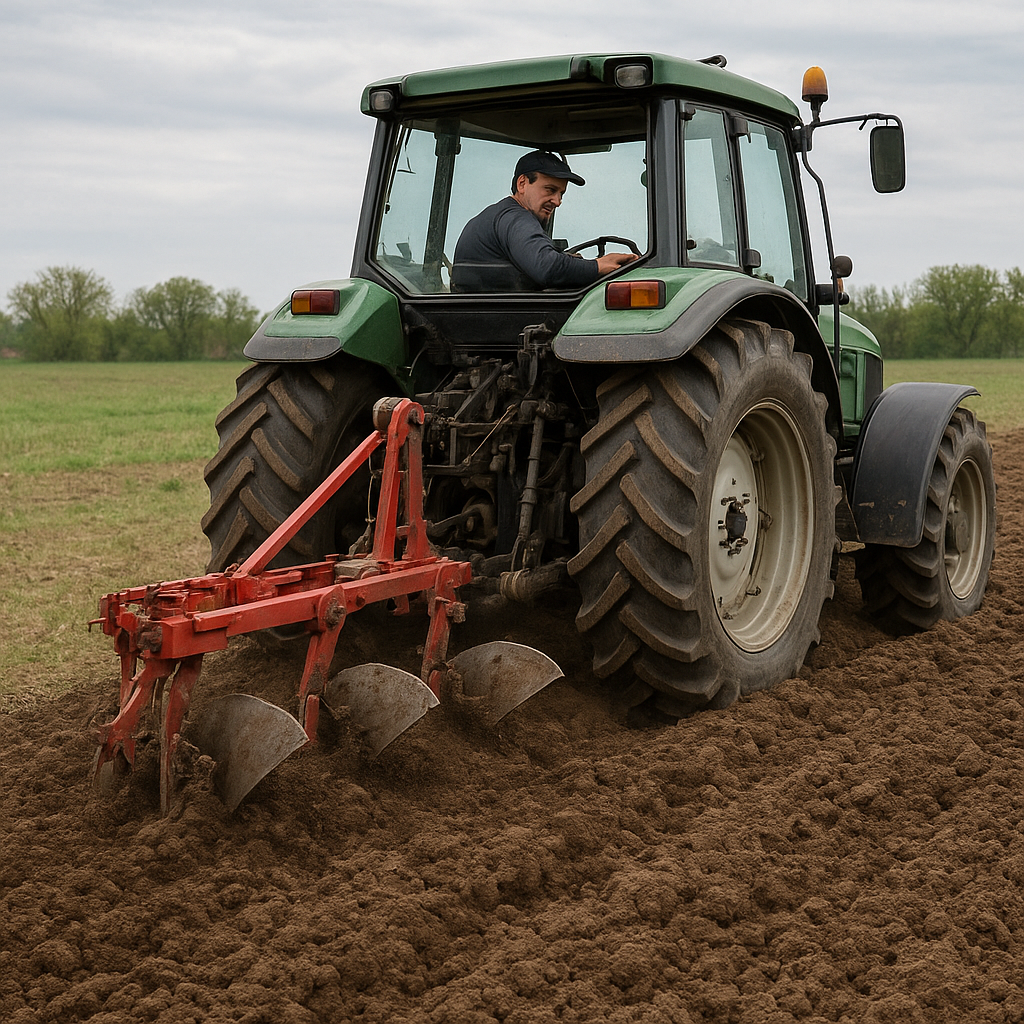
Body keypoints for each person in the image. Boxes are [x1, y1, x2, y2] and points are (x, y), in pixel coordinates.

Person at [451, 150, 637, 292]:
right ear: (522, 184)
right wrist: (597, 266)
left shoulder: (492, 217)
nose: (557, 201)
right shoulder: (516, 218)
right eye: (550, 190)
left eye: (561, 193)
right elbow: (547, 267)